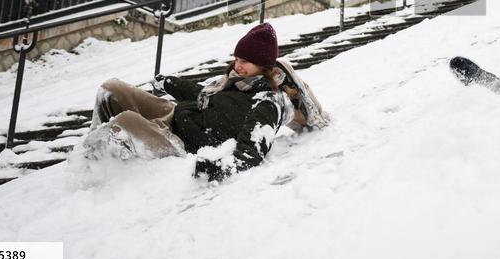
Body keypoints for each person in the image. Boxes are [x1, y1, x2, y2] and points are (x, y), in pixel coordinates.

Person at [79, 22, 330, 180]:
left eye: (245, 61)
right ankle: (90, 159)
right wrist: (172, 84)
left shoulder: (269, 102)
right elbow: (208, 100)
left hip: (180, 141)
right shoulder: (234, 80)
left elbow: (252, 151)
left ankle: (98, 173)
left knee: (125, 122)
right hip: (179, 117)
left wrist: (220, 169)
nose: (238, 65)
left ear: (263, 66)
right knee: (110, 90)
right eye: (237, 58)